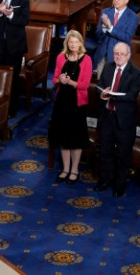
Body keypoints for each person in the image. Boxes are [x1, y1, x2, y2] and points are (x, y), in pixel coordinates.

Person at [95, 42, 140, 197]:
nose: (118, 57)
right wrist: (102, 94)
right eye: (116, 53)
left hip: (124, 119)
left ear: (128, 55)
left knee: (123, 154)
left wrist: (114, 95)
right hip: (107, 116)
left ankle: (119, 185)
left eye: (122, 54)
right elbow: (99, 86)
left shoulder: (135, 73)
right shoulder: (108, 67)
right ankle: (105, 180)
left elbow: (132, 95)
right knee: (105, 151)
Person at [49, 30, 92, 184]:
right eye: (70, 42)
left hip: (77, 102)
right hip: (62, 100)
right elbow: (54, 79)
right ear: (67, 43)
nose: (73, 45)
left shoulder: (87, 60)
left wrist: (70, 82)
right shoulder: (61, 57)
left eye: (76, 42)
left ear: (81, 43)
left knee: (76, 137)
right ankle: (66, 168)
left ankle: (75, 169)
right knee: (63, 136)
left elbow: (85, 85)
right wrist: (60, 80)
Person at [91, 0, 139, 74]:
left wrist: (110, 28)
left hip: (119, 57)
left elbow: (127, 37)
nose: (116, 0)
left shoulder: (133, 17)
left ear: (127, 0)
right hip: (102, 55)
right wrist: (104, 28)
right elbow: (97, 35)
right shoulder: (105, 12)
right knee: (101, 85)